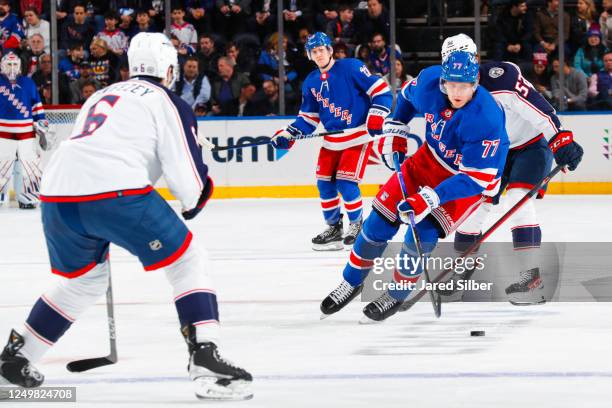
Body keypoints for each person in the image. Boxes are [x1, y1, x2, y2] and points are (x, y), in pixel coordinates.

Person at [0, 32, 253, 401]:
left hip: (57, 191)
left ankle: (18, 356)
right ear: (169, 68)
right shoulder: (169, 102)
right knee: (187, 260)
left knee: (83, 281)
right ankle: (205, 357)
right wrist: (201, 166)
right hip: (115, 190)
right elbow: (190, 193)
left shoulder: (101, 95)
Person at [319, 49, 510, 322]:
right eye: (451, 84)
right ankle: (351, 281)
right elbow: (407, 99)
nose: (456, 92)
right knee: (376, 224)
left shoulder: (486, 117)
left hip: (463, 181)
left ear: (475, 83)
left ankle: (396, 294)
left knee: (421, 235)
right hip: (425, 161)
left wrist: (430, 199)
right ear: (443, 81)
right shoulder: (430, 82)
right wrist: (397, 127)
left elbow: (476, 179)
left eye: (464, 86)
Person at [437, 34, 584, 305]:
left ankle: (531, 279)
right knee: (471, 209)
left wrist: (560, 139)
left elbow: (541, 109)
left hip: (529, 146)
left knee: (518, 202)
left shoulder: (502, 78)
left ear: (476, 61)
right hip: (492, 153)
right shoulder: (444, 91)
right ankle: (462, 269)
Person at [271, 32, 393, 250]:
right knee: (324, 185)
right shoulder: (310, 82)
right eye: (314, 52)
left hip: (357, 136)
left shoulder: (351, 67)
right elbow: (308, 119)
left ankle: (356, 225)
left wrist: (376, 115)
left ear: (329, 50)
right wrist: (288, 134)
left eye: (321, 50)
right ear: (310, 55)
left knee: (346, 183)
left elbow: (381, 90)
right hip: (331, 141)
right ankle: (334, 228)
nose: (318, 54)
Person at [0, 52, 46, 209]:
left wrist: (40, 120)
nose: (12, 68)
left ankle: (27, 198)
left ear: (19, 65)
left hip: (26, 131)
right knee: (2, 164)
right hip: (3, 131)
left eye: (14, 64)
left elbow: (36, 104)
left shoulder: (28, 83)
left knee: (28, 165)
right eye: (8, 64)